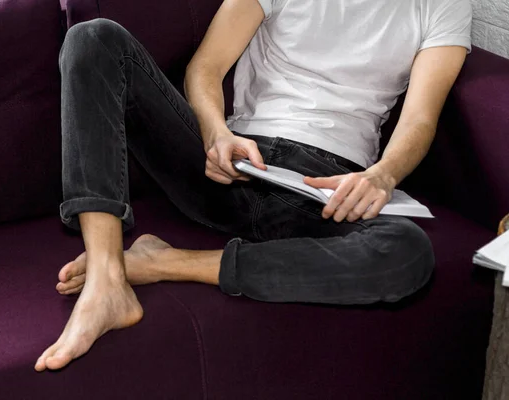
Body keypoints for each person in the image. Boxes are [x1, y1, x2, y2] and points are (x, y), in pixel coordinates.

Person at [34, 0, 472, 371]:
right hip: (231, 162)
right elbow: (205, 68)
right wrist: (215, 133)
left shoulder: (444, 5)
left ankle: (161, 263)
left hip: (322, 188)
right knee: (94, 38)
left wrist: (382, 174)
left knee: (406, 252)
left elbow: (419, 119)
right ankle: (107, 278)